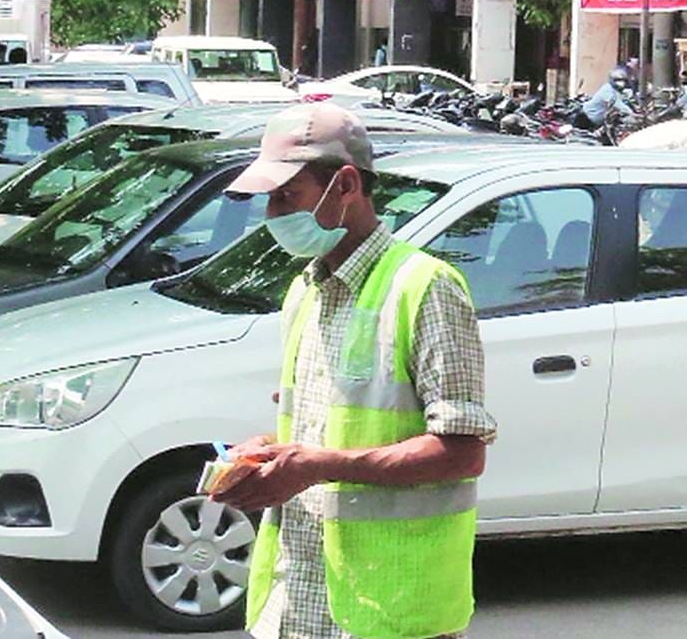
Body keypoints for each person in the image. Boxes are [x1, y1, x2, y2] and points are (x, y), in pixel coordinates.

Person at [212, 103, 496, 639]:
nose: (273, 215)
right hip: (301, 597)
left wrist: (317, 464)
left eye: (286, 197)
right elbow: (326, 426)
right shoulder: (305, 290)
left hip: (392, 608)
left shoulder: (426, 288)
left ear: (345, 185)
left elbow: (462, 450)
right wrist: (268, 455)